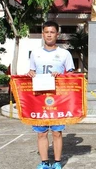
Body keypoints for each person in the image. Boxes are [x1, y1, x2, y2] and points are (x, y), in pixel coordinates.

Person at [27, 21, 75, 169]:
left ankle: (57, 162)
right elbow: (31, 72)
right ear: (43, 34)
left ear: (57, 34)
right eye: (46, 32)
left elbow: (71, 75)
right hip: (39, 99)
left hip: (57, 99)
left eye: (52, 32)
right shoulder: (35, 53)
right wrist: (31, 73)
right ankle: (44, 162)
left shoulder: (64, 54)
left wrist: (61, 75)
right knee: (41, 133)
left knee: (56, 132)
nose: (49, 35)